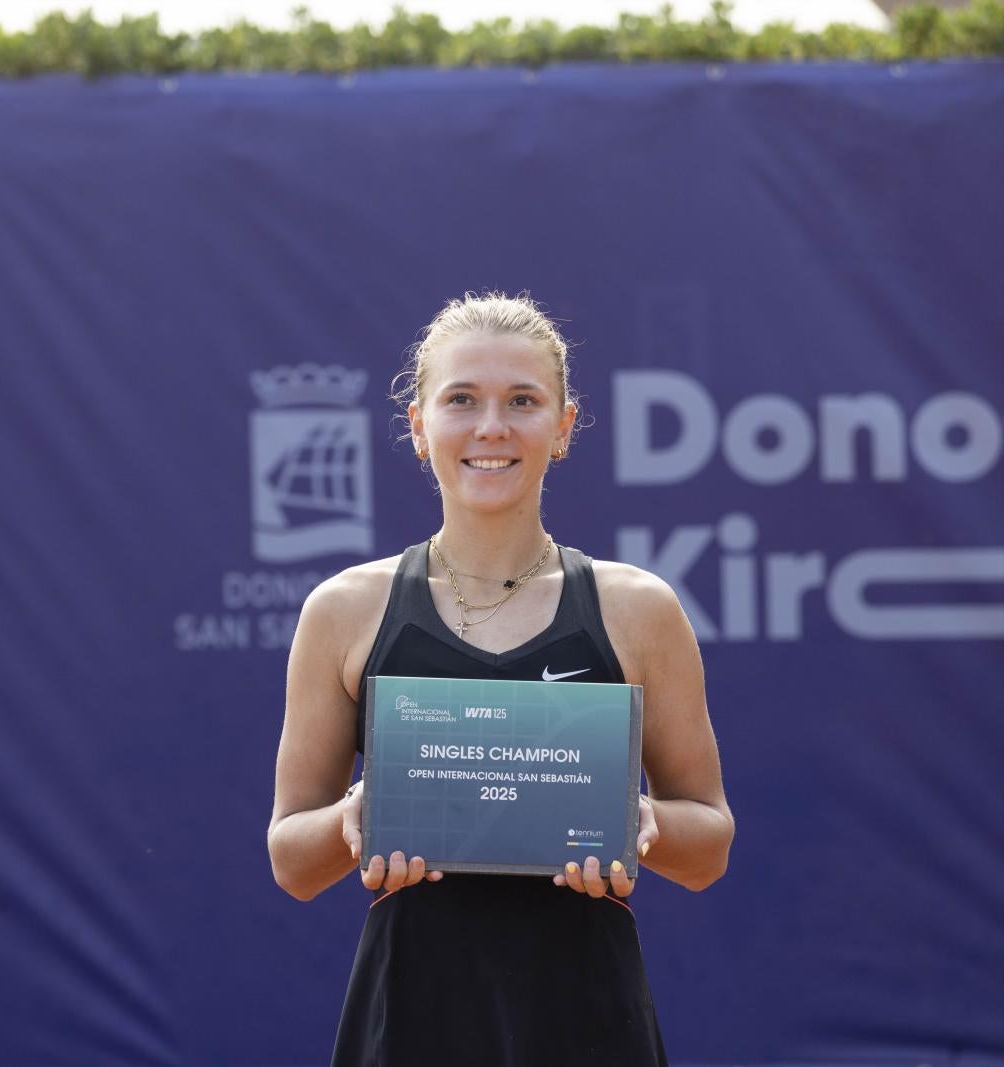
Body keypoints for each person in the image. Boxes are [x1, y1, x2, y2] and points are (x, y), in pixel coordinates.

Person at [267, 293, 734, 1064]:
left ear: (564, 426)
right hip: (411, 1012)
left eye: (522, 400)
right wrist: (357, 816)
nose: (491, 427)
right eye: (461, 400)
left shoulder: (639, 609)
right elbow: (291, 858)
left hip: (587, 1015)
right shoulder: (343, 611)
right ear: (419, 426)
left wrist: (641, 821)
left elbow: (709, 843)